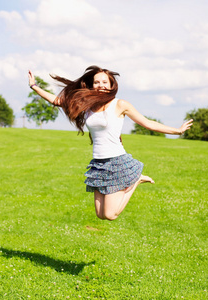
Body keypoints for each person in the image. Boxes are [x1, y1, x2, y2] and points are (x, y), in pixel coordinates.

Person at [28, 66, 193, 221]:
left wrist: (176, 131)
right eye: (97, 82)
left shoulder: (120, 105)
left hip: (116, 161)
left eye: (104, 82)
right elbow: (57, 101)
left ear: (111, 85)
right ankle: (134, 181)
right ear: (92, 85)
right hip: (98, 164)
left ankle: (136, 180)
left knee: (110, 214)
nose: (100, 85)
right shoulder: (87, 106)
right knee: (100, 215)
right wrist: (34, 86)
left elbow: (147, 123)